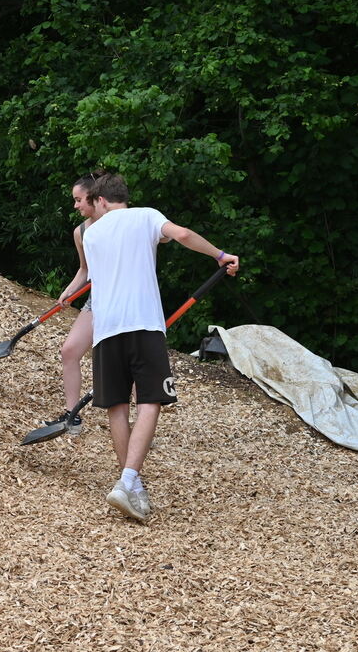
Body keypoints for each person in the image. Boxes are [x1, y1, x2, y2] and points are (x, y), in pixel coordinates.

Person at [83, 173, 238, 521]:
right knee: (150, 399)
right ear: (123, 196)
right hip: (143, 324)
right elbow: (180, 235)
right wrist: (220, 254)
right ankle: (127, 481)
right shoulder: (146, 215)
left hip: (105, 329)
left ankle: (132, 485)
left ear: (101, 201)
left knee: (117, 406)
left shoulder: (91, 233)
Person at [40, 173, 100, 436]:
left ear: (95, 197)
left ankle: (141, 424)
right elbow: (85, 269)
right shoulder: (82, 232)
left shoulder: (121, 223)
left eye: (78, 199)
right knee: (69, 351)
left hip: (125, 304)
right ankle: (72, 415)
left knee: (123, 362)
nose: (75, 205)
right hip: (96, 301)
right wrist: (68, 291)